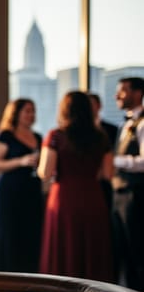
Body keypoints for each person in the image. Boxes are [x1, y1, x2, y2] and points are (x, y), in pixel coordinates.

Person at [38, 91, 113, 281]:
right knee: (91, 244)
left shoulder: (56, 136)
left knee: (64, 244)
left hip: (64, 196)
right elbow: (108, 173)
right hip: (92, 195)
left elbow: (45, 172)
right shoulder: (101, 137)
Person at [0, 98, 43, 273]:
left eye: (33, 111)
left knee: (32, 234)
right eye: (27, 111)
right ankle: (7, 278)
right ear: (16, 113)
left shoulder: (38, 137)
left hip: (33, 191)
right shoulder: (4, 136)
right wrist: (21, 161)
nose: (31, 114)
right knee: (9, 235)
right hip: (9, 192)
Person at [112, 76, 144, 290]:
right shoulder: (124, 124)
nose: (117, 95)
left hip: (136, 195)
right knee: (123, 253)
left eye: (123, 90)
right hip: (119, 195)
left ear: (138, 93)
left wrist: (116, 161)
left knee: (137, 252)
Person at [90, 93, 118, 211]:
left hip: (106, 183)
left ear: (99, 106)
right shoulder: (76, 133)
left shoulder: (112, 129)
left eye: (91, 104)